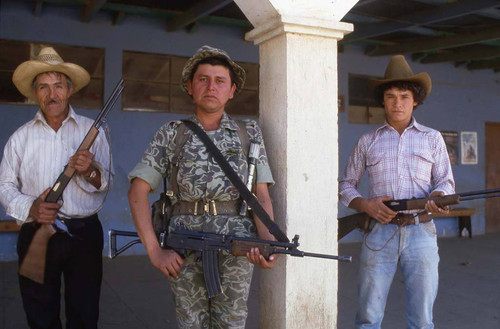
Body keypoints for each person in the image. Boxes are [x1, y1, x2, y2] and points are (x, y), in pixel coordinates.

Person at [128, 45, 278, 329]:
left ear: (232, 90)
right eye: (203, 79)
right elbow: (137, 192)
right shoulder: (172, 133)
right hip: (183, 245)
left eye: (220, 81)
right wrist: (154, 251)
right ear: (190, 86)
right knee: (190, 323)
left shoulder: (249, 134)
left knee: (231, 322)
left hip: (236, 245)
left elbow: (261, 196)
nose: (212, 87)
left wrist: (268, 244)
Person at [0, 47, 113, 329]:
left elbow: (106, 182)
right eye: (44, 87)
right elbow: (5, 186)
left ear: (69, 89)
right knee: (40, 315)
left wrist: (89, 171)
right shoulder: (20, 138)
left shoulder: (93, 131)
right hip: (35, 231)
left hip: (84, 233)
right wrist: (32, 208)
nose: (52, 94)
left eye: (58, 86)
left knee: (85, 315)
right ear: (35, 93)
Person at [339, 55, 455, 329]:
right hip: (380, 232)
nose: (397, 102)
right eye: (391, 96)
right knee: (368, 317)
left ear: (415, 100)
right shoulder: (368, 141)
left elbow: (445, 182)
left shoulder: (432, 138)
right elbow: (345, 185)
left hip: (421, 232)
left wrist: (438, 198)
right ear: (383, 100)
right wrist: (365, 205)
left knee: (423, 320)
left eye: (404, 96)